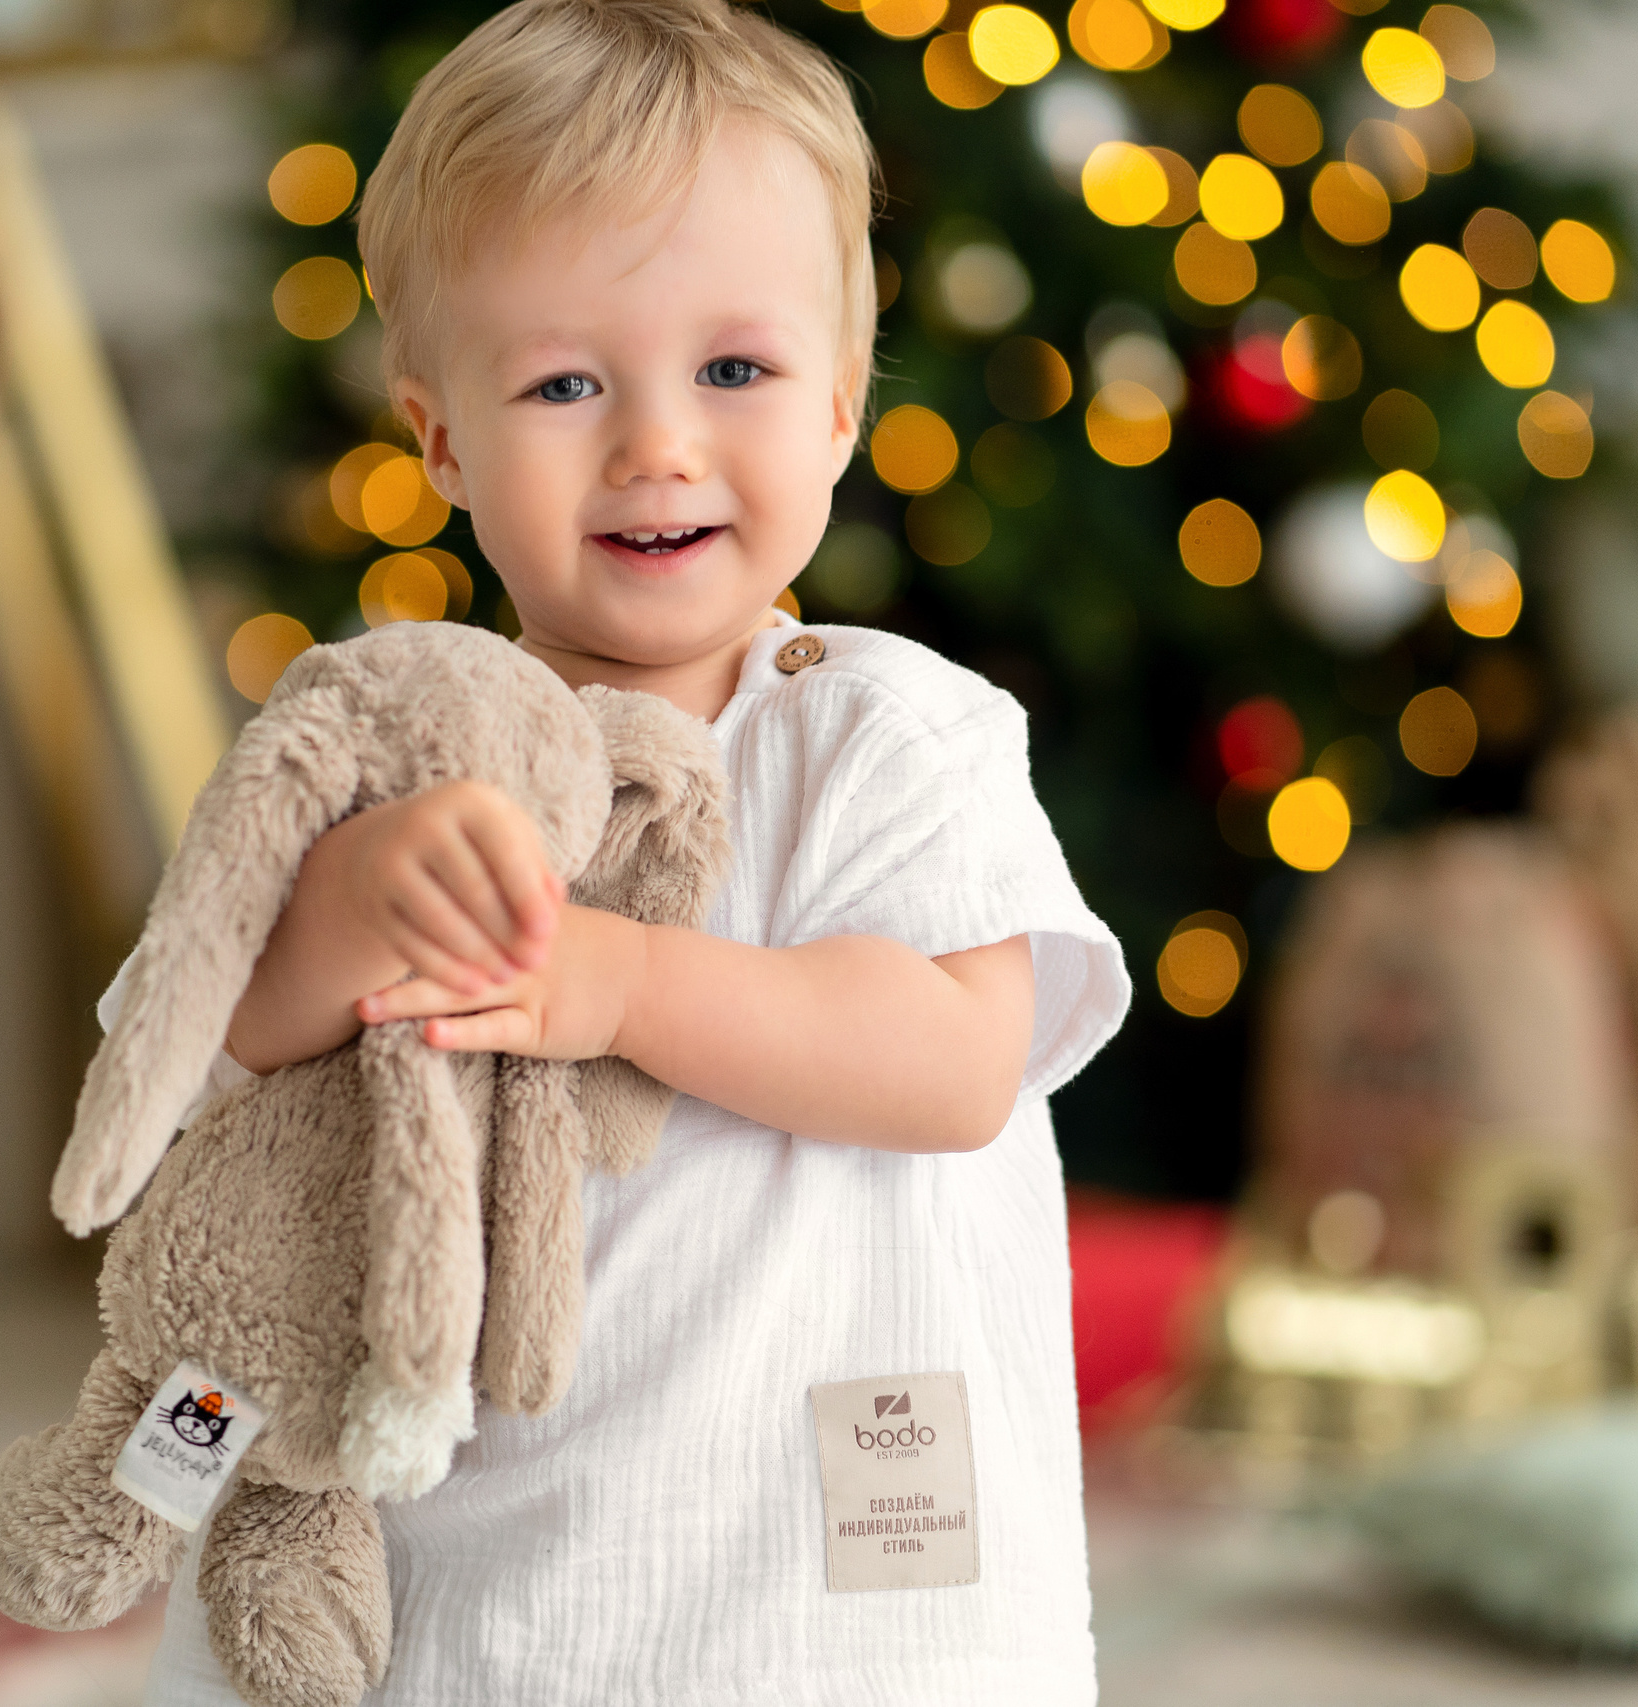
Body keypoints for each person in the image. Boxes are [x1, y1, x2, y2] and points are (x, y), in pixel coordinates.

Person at [135, 0, 1128, 1698]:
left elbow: (957, 1062)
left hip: (831, 1607)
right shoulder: (386, 754)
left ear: (836, 408)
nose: (656, 442)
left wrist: (622, 979)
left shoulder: (888, 738)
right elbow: (192, 1054)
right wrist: (342, 918)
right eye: (565, 381)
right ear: (441, 436)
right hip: (472, 1607)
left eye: (733, 370)